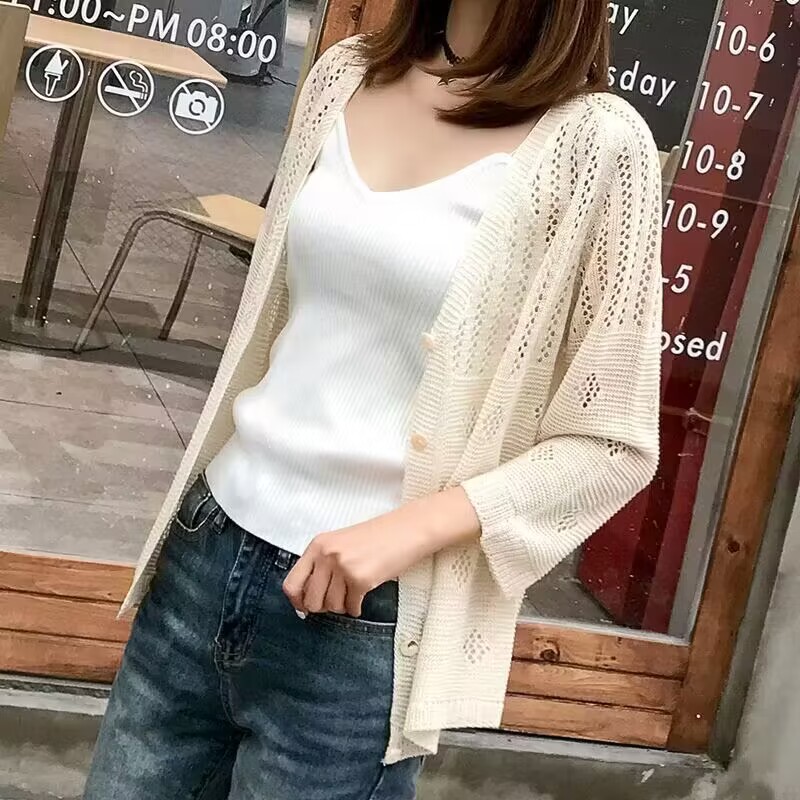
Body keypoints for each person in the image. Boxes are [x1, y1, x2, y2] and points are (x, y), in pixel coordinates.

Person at [83, 0, 664, 797]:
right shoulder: (344, 75)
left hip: (361, 624)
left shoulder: (598, 145)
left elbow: (611, 444)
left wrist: (405, 531)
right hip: (206, 548)